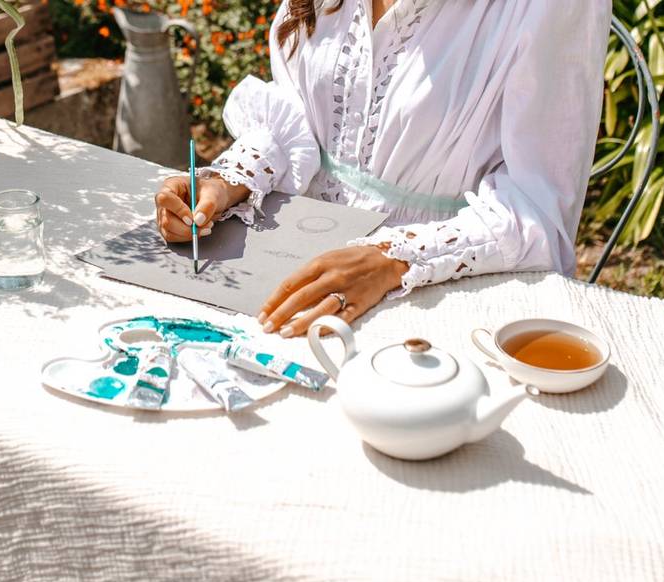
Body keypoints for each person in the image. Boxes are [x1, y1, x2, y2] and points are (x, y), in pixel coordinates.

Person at [154, 0, 611, 337]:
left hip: (440, 305)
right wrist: (235, 177)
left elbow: (536, 211)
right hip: (291, 268)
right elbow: (305, 107)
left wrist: (394, 259)